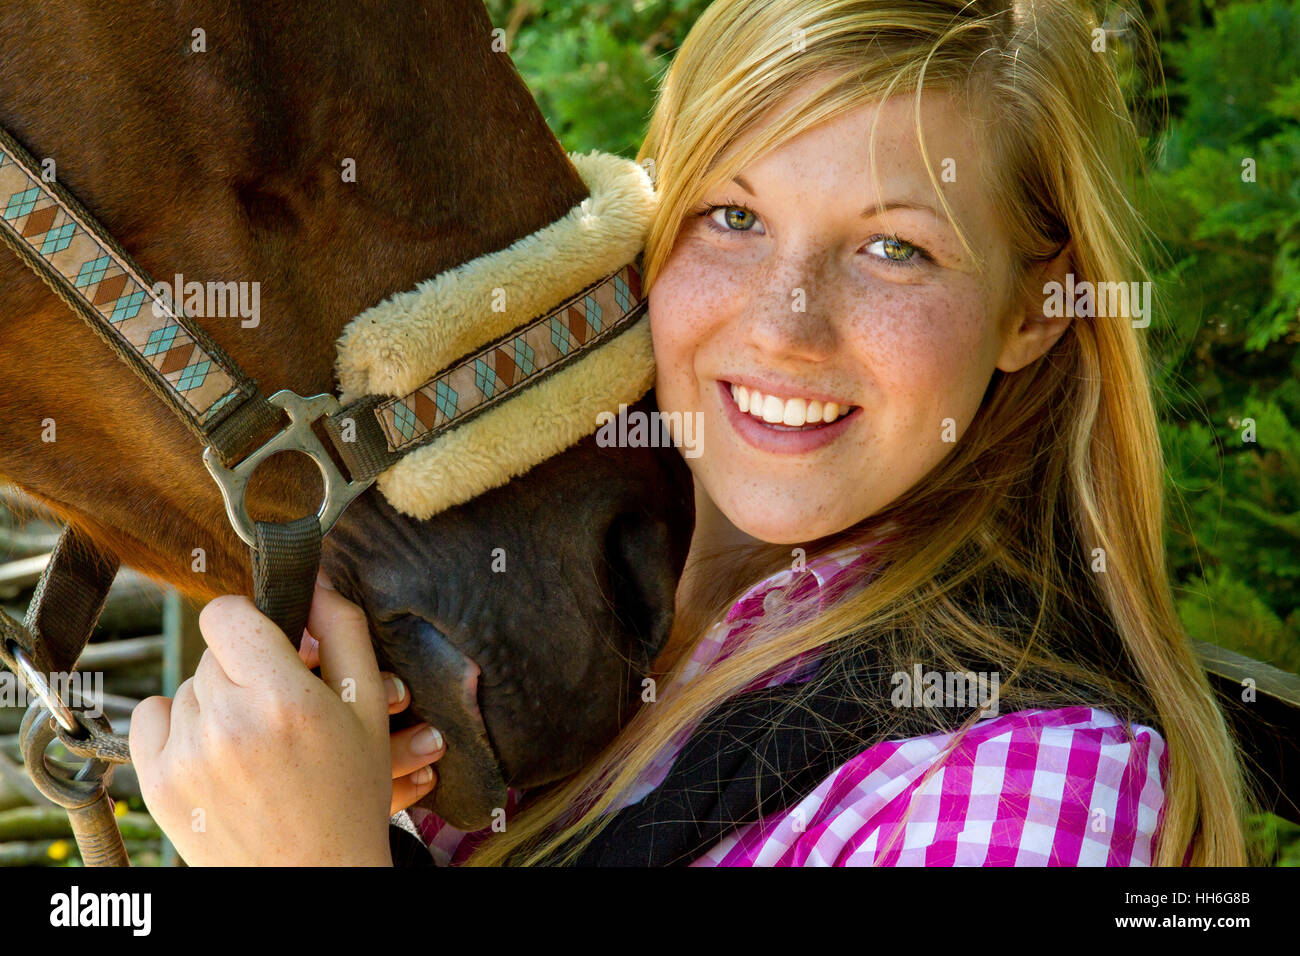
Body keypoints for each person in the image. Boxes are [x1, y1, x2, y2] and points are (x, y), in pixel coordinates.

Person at [129, 0, 1255, 866]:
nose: (783, 323)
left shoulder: (1029, 767)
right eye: (733, 216)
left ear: (1029, 308)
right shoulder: (517, 603)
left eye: (894, 247)